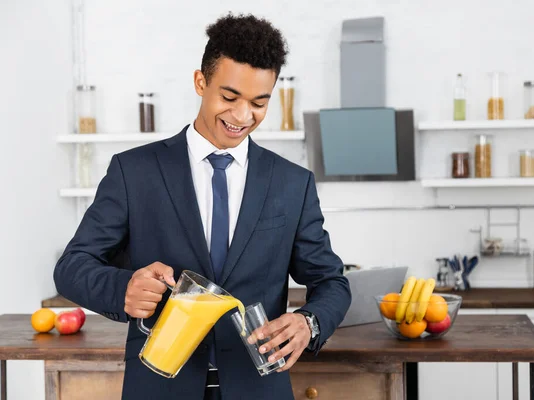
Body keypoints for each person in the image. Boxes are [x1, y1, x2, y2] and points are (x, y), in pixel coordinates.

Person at [54, 12, 351, 400]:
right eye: (229, 97)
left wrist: (308, 323)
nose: (243, 116)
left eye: (259, 103)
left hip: (258, 388)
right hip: (159, 387)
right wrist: (123, 287)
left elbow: (332, 282)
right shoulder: (134, 171)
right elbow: (72, 267)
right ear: (201, 82)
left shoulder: (292, 183)